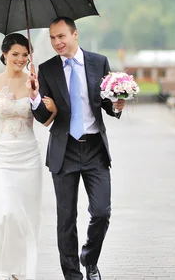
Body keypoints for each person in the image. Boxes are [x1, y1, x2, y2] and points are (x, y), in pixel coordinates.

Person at [27, 17, 126, 280]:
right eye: (52, 38)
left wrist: (116, 106)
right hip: (64, 150)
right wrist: (35, 95)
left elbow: (104, 102)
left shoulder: (98, 62)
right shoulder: (46, 70)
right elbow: (42, 117)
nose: (57, 42)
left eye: (61, 36)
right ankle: (72, 276)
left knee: (102, 212)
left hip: (94, 149)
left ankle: (89, 259)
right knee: (66, 220)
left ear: (75, 34)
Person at [0, 33, 58, 280]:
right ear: (5, 54)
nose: (20, 59)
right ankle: (4, 266)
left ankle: (20, 270)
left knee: (26, 215)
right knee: (6, 212)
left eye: (25, 55)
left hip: (28, 157)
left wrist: (48, 105)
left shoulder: (34, 81)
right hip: (1, 157)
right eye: (15, 54)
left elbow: (47, 120)